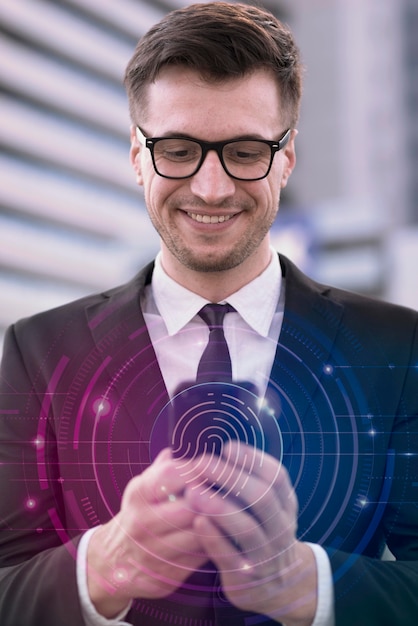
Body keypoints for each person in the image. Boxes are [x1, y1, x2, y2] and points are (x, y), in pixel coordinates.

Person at [0, 2, 417, 625]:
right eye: (177, 148)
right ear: (138, 156)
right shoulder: (38, 351)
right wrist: (100, 569)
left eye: (246, 151)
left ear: (287, 158)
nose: (212, 187)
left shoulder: (396, 347)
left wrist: (306, 585)